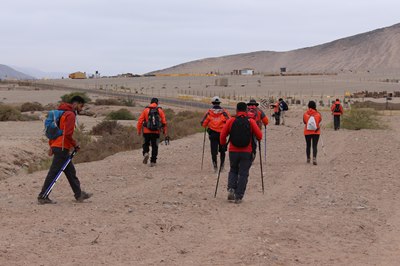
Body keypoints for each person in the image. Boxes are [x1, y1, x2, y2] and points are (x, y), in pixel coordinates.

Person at [38, 95, 92, 204]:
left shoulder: (62, 113)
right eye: (81, 106)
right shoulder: (70, 114)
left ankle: (79, 194)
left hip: (59, 146)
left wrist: (52, 146)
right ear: (75, 104)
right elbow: (67, 134)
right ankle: (43, 196)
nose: (81, 109)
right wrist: (75, 144)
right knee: (54, 173)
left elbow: (56, 132)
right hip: (62, 147)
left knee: (71, 172)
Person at [220, 102, 262, 203]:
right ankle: (239, 196)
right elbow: (259, 136)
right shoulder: (250, 121)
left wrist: (223, 145)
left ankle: (231, 189)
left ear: (236, 110)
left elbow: (222, 135)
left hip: (233, 151)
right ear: (246, 110)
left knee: (233, 169)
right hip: (246, 151)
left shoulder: (231, 120)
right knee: (243, 173)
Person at [201, 96, 230, 172]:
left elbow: (203, 124)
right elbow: (229, 122)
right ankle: (222, 166)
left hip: (213, 134)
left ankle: (215, 166)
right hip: (222, 134)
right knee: (223, 150)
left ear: (212, 103)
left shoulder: (209, 112)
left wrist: (208, 124)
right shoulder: (224, 112)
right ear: (219, 103)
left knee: (213, 151)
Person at [137, 98, 168, 167]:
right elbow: (164, 122)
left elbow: (140, 121)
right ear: (157, 103)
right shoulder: (160, 110)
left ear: (150, 102)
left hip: (146, 131)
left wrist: (139, 131)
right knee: (155, 146)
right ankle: (153, 162)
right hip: (156, 132)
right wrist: (165, 132)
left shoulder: (145, 110)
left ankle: (146, 153)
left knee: (146, 144)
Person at [303, 100, 322, 165]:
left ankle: (308, 158)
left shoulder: (305, 114)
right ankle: (314, 158)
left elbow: (304, 122)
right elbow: (319, 121)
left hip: (307, 132)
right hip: (316, 132)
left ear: (308, 106)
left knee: (308, 145)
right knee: (315, 145)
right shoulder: (318, 114)